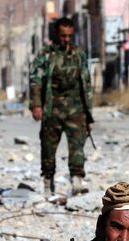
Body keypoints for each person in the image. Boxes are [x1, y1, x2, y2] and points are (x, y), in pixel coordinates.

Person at [29, 17, 93, 197]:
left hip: (76, 109)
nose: (66, 39)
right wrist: (36, 105)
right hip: (52, 108)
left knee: (77, 147)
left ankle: (77, 182)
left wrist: (89, 115)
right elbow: (35, 81)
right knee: (48, 148)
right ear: (56, 34)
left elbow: (86, 85)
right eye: (63, 36)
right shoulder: (46, 54)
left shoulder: (79, 54)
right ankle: (48, 183)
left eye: (70, 36)